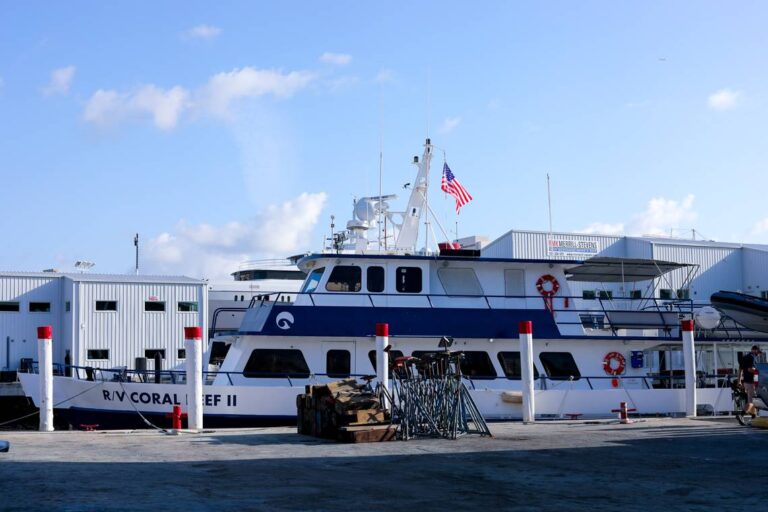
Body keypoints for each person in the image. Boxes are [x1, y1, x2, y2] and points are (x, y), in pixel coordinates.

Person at [739, 345, 762, 417]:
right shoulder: (752, 357)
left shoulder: (745, 357)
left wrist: (739, 381)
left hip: (746, 382)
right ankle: (741, 414)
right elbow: (750, 369)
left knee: (752, 400)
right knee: (752, 401)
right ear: (755, 350)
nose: (758, 354)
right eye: (758, 352)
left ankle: (753, 416)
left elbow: (740, 370)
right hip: (751, 382)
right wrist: (759, 371)